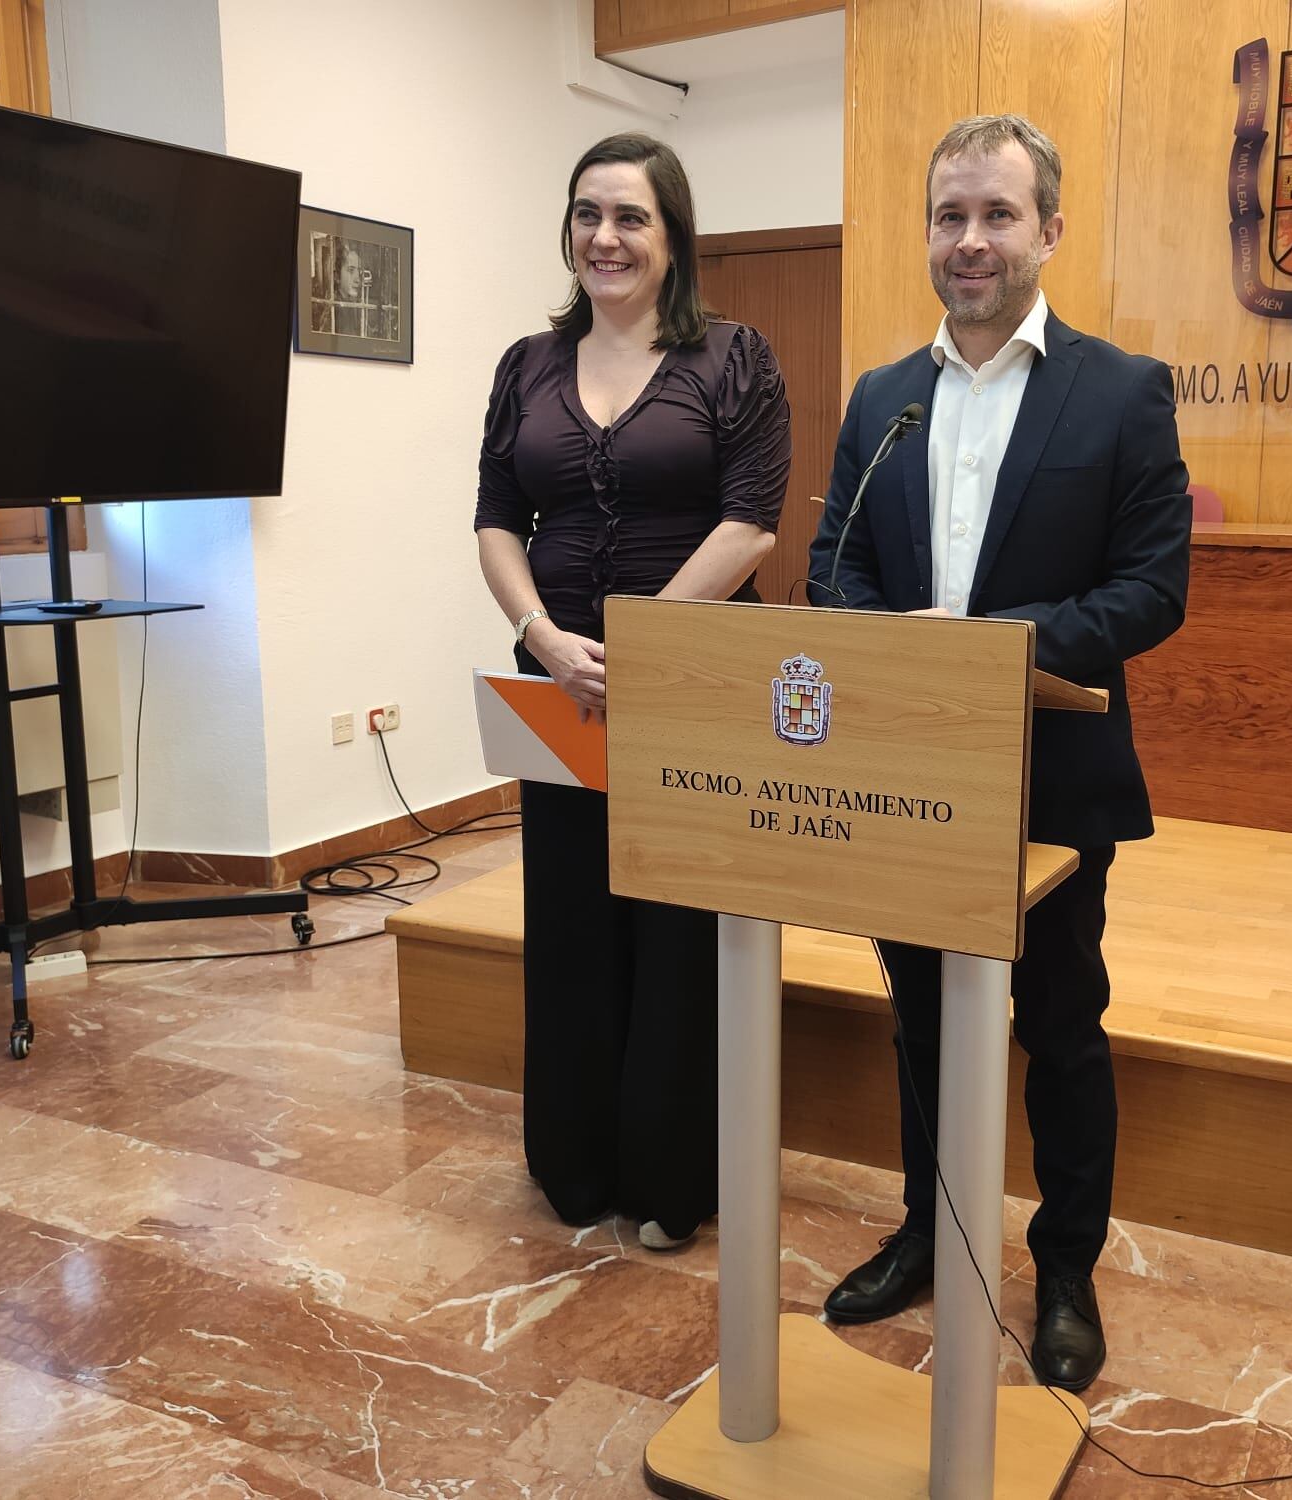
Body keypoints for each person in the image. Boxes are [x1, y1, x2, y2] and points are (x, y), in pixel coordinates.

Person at [807, 114, 1190, 1389]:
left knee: (1059, 1023)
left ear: (1049, 231)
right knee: (918, 1018)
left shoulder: (1121, 389)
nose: (969, 241)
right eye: (948, 216)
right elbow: (835, 569)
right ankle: (928, 1227)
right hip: (906, 775)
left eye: (996, 216)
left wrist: (980, 645)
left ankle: (1065, 1266)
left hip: (1051, 776)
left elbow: (1150, 591)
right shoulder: (882, 399)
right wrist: (898, 650)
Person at [475, 133, 789, 1251]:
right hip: (558, 678)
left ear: (673, 237)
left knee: (679, 924)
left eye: (630, 218)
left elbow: (751, 521)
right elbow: (496, 520)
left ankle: (668, 1173)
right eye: (586, 215)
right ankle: (576, 1161)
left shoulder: (735, 359)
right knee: (568, 909)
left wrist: (646, 644)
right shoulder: (524, 364)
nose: (603, 238)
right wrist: (540, 634)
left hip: (693, 679)